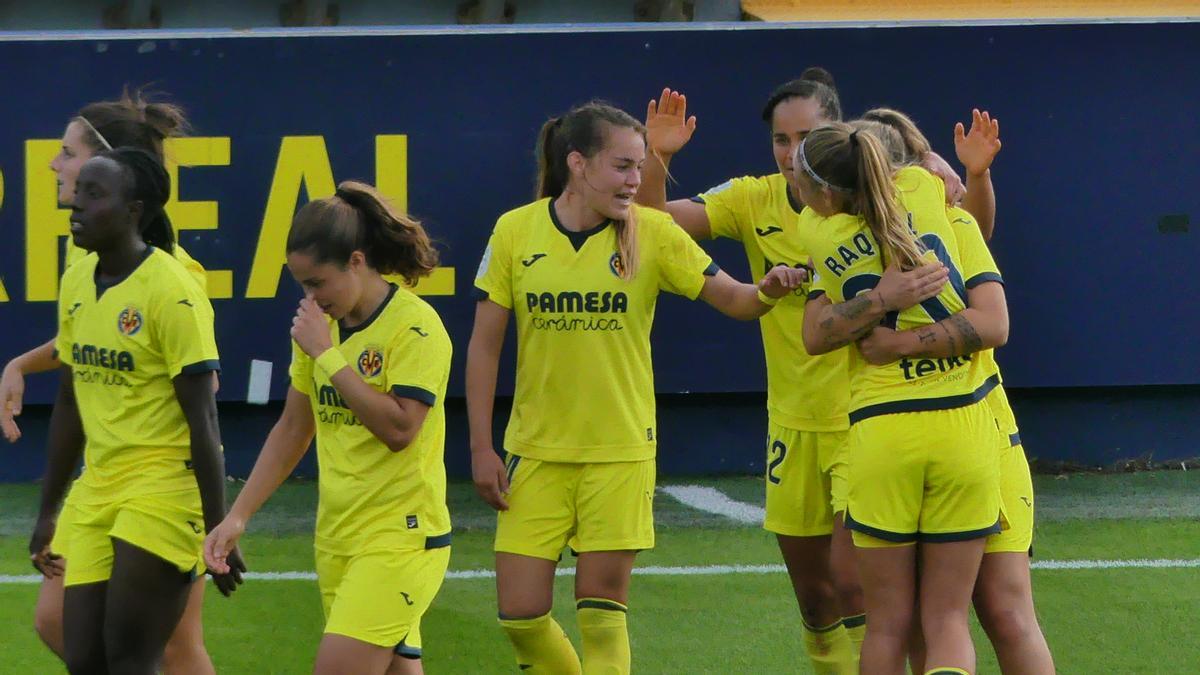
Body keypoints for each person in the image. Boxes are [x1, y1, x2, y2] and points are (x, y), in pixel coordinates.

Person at [466, 101, 806, 674]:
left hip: (620, 453)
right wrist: (480, 445)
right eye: (624, 167)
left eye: (642, 166)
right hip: (535, 452)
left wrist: (769, 288)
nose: (637, 181)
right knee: (520, 616)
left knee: (601, 615)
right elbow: (484, 346)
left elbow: (737, 300)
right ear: (578, 163)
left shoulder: (653, 233)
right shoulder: (514, 231)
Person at [633, 68, 862, 673]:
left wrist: (966, 175)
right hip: (792, 422)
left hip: (866, 418)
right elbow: (654, 223)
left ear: (837, 132)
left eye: (806, 137)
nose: (792, 154)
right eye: (781, 141)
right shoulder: (752, 198)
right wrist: (657, 155)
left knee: (855, 584)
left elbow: (969, 228)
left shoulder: (874, 197)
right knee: (815, 600)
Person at [5, 89, 219, 674]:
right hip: (104, 475)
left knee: (172, 644)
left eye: (66, 153)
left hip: (162, 481)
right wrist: (21, 365)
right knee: (65, 626)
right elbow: (86, 346)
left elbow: (197, 392)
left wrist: (218, 517)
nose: (55, 166)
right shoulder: (85, 264)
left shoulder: (173, 276)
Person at [204, 181, 451, 675]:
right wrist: (238, 516)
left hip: (400, 538)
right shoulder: (321, 328)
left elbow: (401, 430)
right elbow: (295, 428)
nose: (310, 297)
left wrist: (328, 355)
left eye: (317, 283)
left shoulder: (415, 327)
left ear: (357, 262)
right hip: (338, 538)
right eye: (301, 285)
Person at [796, 122, 1009, 675]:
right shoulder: (928, 193)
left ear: (823, 193)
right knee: (948, 621)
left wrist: (877, 304)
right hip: (962, 426)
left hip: (882, 430)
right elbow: (917, 169)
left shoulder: (816, 231)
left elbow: (815, 334)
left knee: (887, 623)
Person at [854, 108, 1055, 674]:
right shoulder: (855, 232)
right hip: (925, 432)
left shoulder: (944, 221)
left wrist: (898, 343)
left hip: (981, 427)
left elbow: (991, 314)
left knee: (996, 608)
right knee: (930, 617)